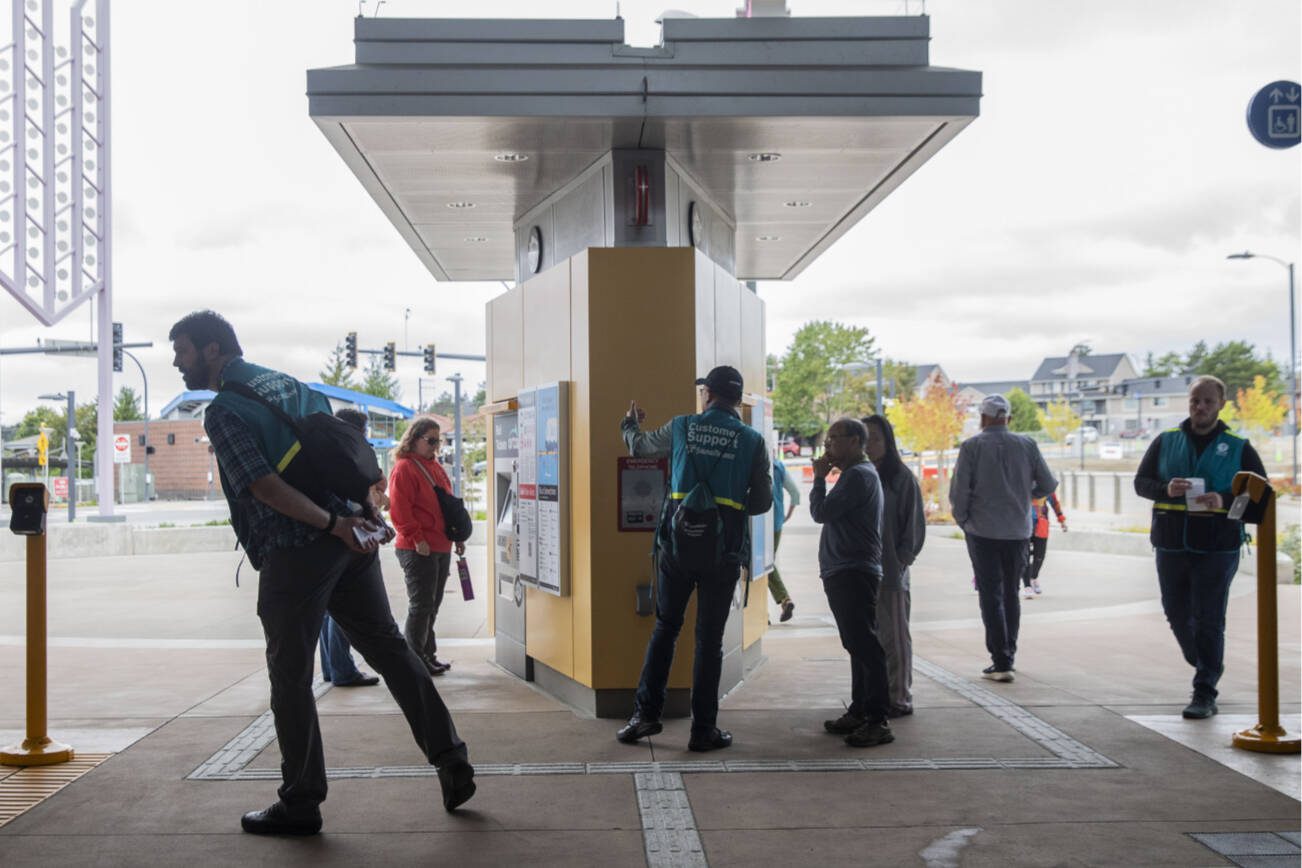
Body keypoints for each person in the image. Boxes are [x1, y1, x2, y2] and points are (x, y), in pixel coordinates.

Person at [169, 310, 474, 836]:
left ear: (213, 350)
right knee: (390, 650)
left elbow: (263, 486)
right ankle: (452, 760)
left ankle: (301, 801)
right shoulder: (292, 385)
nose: (177, 362)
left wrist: (331, 524)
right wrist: (357, 517)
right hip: (352, 540)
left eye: (184, 351)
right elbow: (342, 454)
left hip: (300, 549)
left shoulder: (223, 410)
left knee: (290, 676)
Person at [616, 365, 772, 752]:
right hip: (723, 553)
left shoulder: (683, 426)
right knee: (709, 641)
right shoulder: (752, 441)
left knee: (666, 628)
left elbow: (640, 447)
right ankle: (703, 730)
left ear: (707, 394)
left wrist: (628, 424)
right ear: (737, 400)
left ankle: (644, 716)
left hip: (677, 548)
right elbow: (761, 502)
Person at [1133, 375, 1265, 720]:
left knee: (1209, 618)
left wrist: (1224, 498)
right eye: (1195, 400)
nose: (1200, 407)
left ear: (1221, 404)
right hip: (1171, 544)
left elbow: (1260, 500)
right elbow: (1141, 483)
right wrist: (1166, 489)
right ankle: (1206, 661)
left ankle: (1204, 690)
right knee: (1175, 611)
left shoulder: (1239, 446)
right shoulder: (1166, 441)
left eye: (1207, 401)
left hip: (1218, 547)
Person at [950, 394, 1057, 683]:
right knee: (1011, 593)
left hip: (982, 531)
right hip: (1018, 532)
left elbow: (960, 491)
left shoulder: (971, 447)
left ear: (983, 418)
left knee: (990, 594)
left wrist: (962, 519)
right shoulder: (1027, 445)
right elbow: (1048, 484)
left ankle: (1000, 660)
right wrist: (1025, 497)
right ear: (1008, 419)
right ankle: (1009, 653)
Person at [810, 417, 894, 747]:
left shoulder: (858, 476)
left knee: (864, 645)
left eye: (834, 439)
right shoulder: (856, 474)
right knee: (856, 644)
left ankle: (877, 719)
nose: (828, 445)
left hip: (853, 569)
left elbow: (821, 512)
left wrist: (819, 479)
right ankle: (860, 710)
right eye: (827, 439)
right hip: (846, 569)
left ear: (855, 442)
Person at [389, 417, 466, 677]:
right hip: (418, 547)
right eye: (431, 441)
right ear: (414, 439)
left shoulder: (435, 467)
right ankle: (414, 660)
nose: (435, 446)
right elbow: (400, 509)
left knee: (432, 604)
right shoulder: (405, 468)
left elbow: (447, 506)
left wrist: (457, 536)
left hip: (440, 544)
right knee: (421, 605)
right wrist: (416, 538)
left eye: (438, 441)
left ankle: (426, 654)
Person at [316, 408, 385, 688]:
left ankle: (332, 669)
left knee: (327, 609)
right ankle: (343, 669)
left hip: (325, 537)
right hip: (349, 536)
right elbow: (373, 483)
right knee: (344, 608)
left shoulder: (319, 452)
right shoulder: (350, 455)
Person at [863, 414, 926, 719]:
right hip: (861, 573)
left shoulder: (901, 479)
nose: (871, 444)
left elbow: (913, 530)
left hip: (890, 573)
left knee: (895, 637)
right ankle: (873, 697)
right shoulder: (858, 475)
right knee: (869, 639)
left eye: (876, 437)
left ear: (888, 441)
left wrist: (901, 560)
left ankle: (900, 697)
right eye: (864, 438)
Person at [768, 454, 801, 622]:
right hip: (776, 522)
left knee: (761, 564)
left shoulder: (752, 461)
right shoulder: (779, 466)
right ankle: (784, 601)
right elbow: (795, 492)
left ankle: (782, 600)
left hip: (757, 521)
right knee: (766, 563)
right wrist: (787, 515)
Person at [1022, 493, 1067, 599]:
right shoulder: (1021, 483)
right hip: (1023, 526)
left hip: (1041, 526)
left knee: (1039, 556)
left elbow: (1055, 504)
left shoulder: (1046, 486)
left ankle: (1033, 577)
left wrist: (1062, 521)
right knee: (1025, 557)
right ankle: (1027, 586)